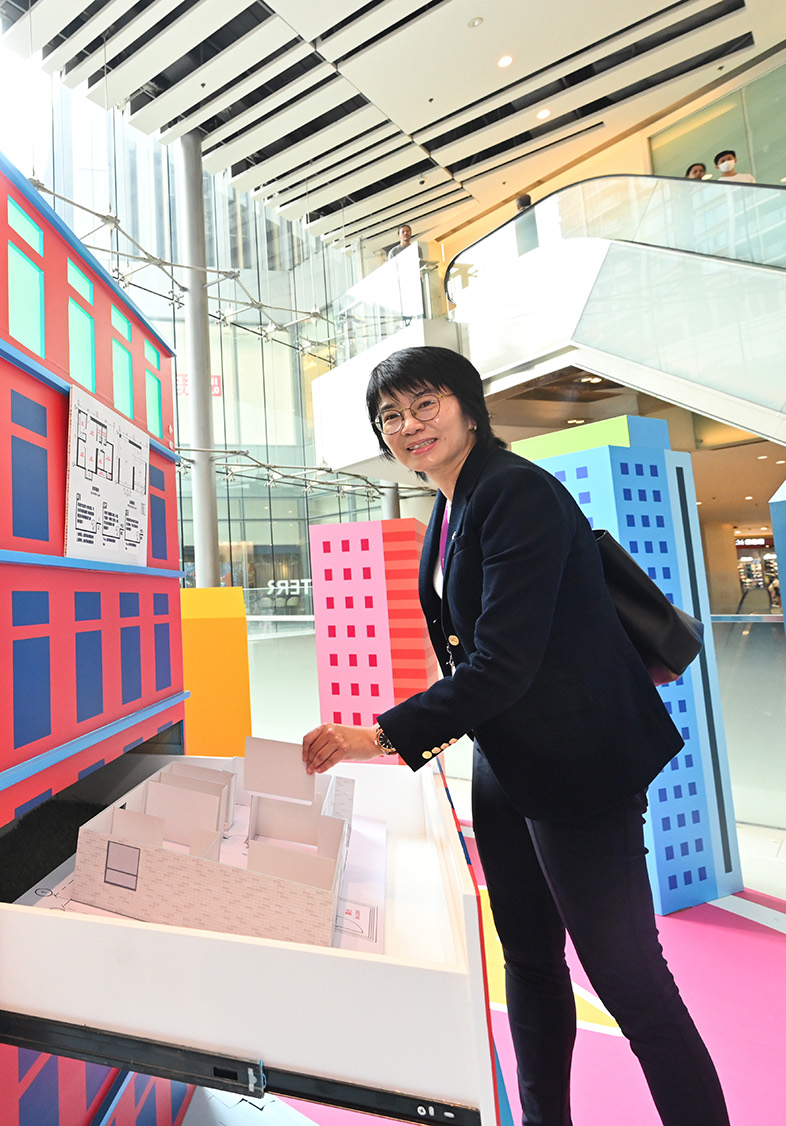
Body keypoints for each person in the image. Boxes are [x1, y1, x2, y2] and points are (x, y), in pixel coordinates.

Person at [301, 347, 729, 1126]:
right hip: (509, 758)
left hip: (580, 765)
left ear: (469, 407)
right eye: (390, 416)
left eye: (425, 404)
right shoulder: (450, 507)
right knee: (529, 961)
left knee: (630, 980)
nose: (408, 425)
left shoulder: (514, 492)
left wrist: (378, 737)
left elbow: (501, 664)